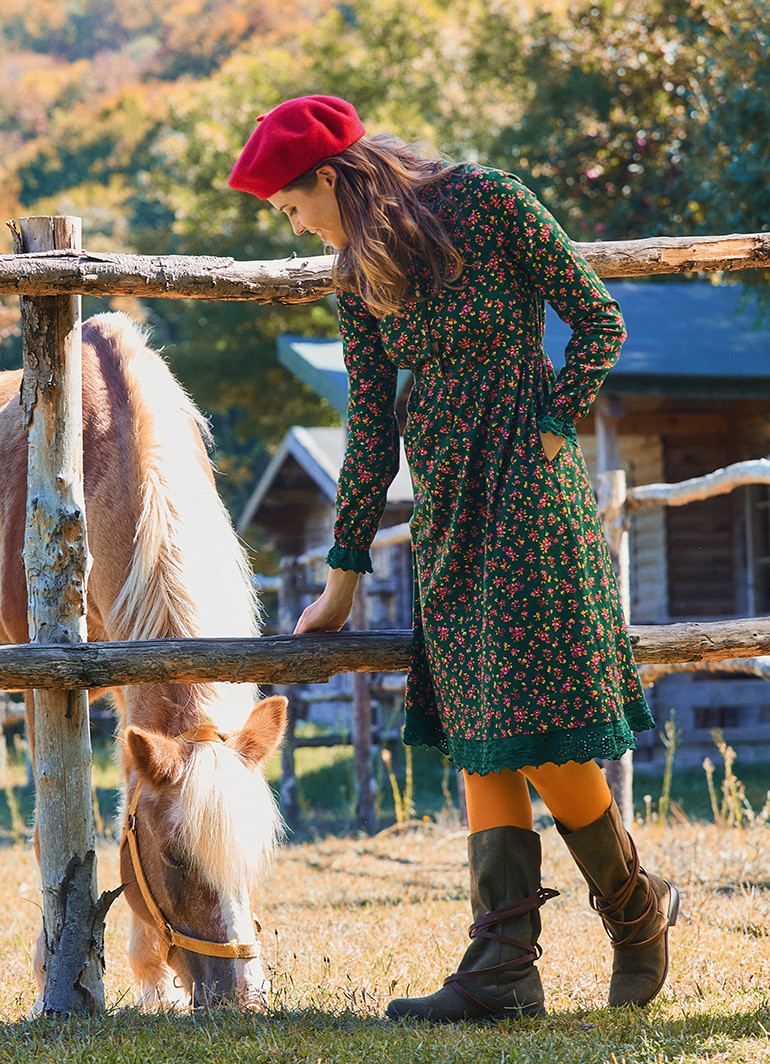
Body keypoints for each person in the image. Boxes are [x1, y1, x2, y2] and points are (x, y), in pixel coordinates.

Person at [229, 95, 679, 1022]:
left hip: (530, 495)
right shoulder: (356, 273)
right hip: (446, 508)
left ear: (329, 178)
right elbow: (370, 428)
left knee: (538, 719)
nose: (295, 226)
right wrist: (343, 576)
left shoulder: (490, 200)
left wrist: (554, 423)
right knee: (479, 722)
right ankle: (503, 968)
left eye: (290, 206)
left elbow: (598, 319)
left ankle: (635, 909)